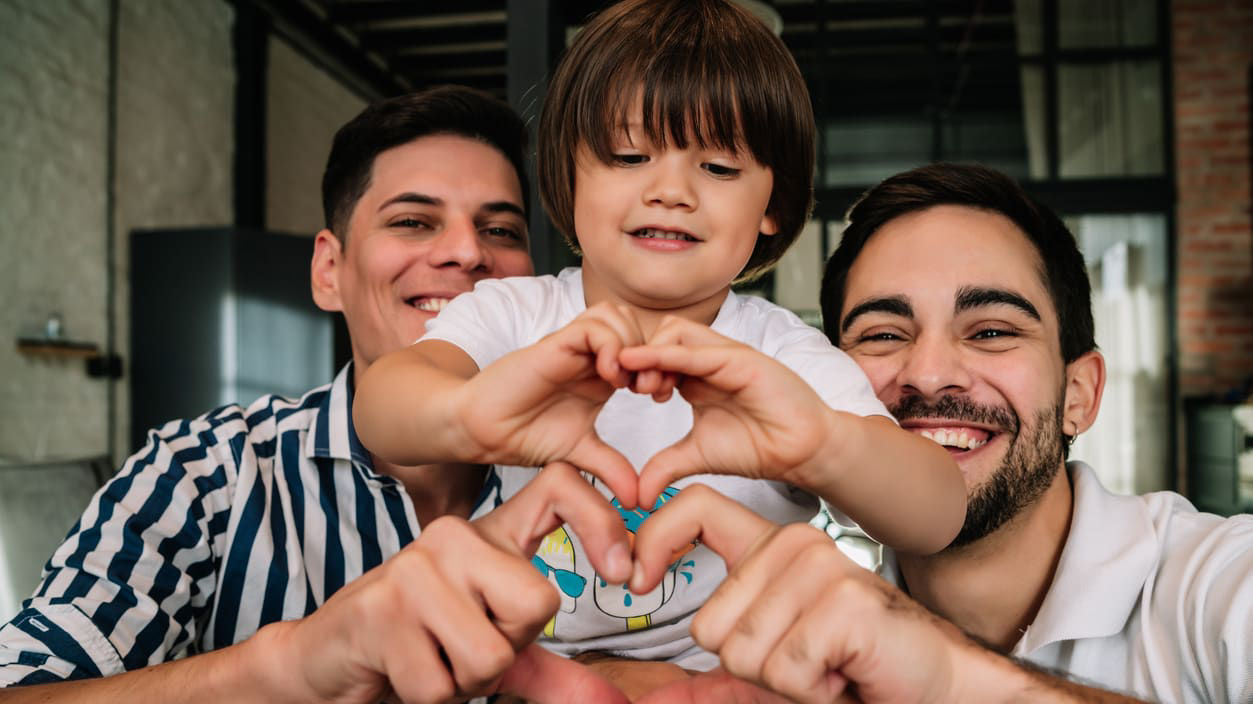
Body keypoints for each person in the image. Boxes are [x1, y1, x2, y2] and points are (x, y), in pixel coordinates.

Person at [353, 0, 965, 672]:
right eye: (628, 154)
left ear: (773, 207)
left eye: (719, 168)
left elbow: (934, 514)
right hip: (530, 675)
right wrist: (466, 413)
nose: (670, 191)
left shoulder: (782, 355)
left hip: (740, 678)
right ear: (566, 176)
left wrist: (819, 444)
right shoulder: (513, 315)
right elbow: (383, 408)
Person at [0, 86, 638, 703]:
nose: (468, 252)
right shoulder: (202, 476)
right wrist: (292, 666)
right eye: (414, 221)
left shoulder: (612, 475)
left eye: (502, 231)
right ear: (329, 272)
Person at [617, 163, 1251, 704]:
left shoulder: (1215, 584)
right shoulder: (778, 623)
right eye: (884, 335)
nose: (929, 374)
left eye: (992, 331)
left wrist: (949, 675)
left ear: (1078, 396)